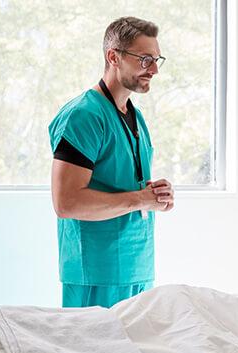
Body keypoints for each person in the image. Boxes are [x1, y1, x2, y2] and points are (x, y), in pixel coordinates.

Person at [49, 17, 174, 308]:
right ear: (113, 57)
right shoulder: (84, 116)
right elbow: (66, 202)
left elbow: (124, 182)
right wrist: (140, 199)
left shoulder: (135, 116)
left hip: (137, 266)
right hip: (96, 272)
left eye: (156, 60)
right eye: (145, 59)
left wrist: (155, 195)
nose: (154, 69)